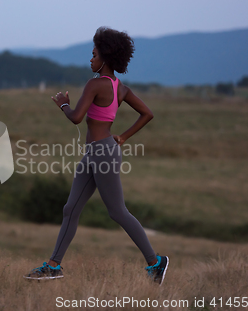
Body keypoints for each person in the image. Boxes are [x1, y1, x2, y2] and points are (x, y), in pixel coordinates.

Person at [23, 27, 168, 285]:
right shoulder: (119, 88)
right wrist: (122, 137)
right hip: (96, 153)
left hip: (102, 154)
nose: (90, 59)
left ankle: (156, 262)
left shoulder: (95, 84)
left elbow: (76, 118)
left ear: (105, 56)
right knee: (71, 208)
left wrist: (63, 104)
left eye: (93, 54)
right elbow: (147, 113)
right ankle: (53, 266)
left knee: (117, 212)